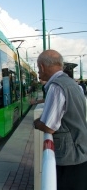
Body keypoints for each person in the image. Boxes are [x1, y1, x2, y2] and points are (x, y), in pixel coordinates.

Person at [33, 49, 87, 190]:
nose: (38, 73)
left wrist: (37, 123)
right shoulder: (72, 84)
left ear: (42, 66)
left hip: (69, 155)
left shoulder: (56, 86)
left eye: (38, 69)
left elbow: (49, 126)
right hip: (80, 149)